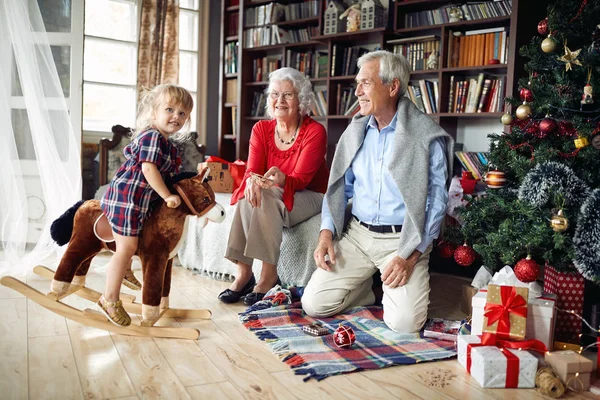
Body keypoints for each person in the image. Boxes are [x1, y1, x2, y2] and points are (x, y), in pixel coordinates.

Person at [301, 50, 453, 333]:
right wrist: (326, 234)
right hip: (358, 236)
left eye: (366, 83)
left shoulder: (426, 135)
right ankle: (366, 292)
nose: (357, 91)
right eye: (357, 83)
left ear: (393, 87)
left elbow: (436, 202)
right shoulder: (355, 131)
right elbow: (338, 189)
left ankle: (384, 286)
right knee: (314, 305)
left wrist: (410, 258)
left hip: (403, 240)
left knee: (405, 325)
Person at [219, 67, 329, 306]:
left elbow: (302, 179)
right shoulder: (261, 129)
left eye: (288, 95)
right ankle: (244, 274)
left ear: (301, 100)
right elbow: (252, 170)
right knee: (251, 193)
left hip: (311, 194)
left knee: (265, 195)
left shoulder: (315, 131)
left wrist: (281, 179)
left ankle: (268, 277)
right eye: (275, 94)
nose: (280, 100)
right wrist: (251, 181)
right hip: (274, 190)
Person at [99, 84, 194, 326]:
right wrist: (166, 196)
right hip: (126, 199)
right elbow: (148, 169)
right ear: (154, 113)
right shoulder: (152, 136)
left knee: (140, 240)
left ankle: (126, 268)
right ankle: (108, 298)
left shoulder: (168, 145)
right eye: (170, 109)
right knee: (126, 247)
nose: (176, 116)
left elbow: (170, 175)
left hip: (140, 202)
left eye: (182, 113)